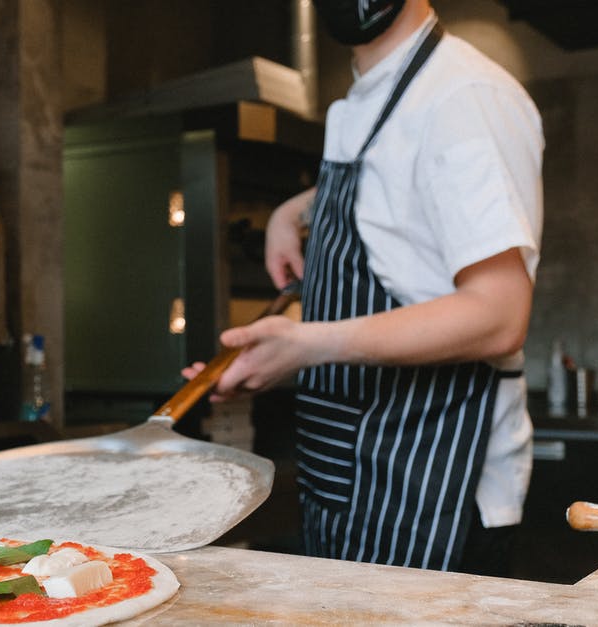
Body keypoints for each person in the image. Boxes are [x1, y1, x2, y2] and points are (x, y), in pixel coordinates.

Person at [184, 0, 543, 574]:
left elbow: (499, 315)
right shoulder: (364, 102)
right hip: (346, 481)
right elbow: (399, 189)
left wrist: (305, 345)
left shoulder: (464, 95)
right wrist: (295, 212)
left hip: (432, 488)